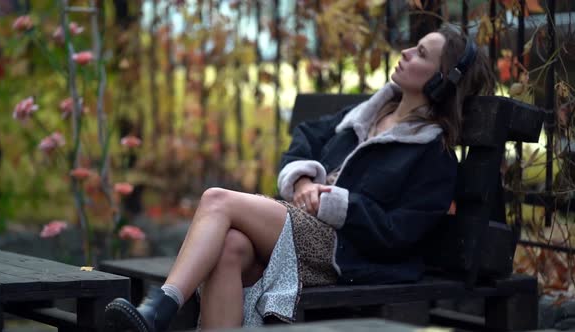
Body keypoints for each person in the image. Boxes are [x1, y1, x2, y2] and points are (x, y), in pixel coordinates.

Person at [103, 25, 496, 332]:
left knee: (217, 199)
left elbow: (400, 233)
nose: (406, 53)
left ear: (442, 80)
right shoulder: (366, 115)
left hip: (344, 250)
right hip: (302, 227)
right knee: (230, 248)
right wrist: (305, 183)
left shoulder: (433, 155)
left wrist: (339, 205)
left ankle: (160, 310)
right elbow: (305, 139)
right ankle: (160, 313)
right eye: (413, 46)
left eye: (421, 54)